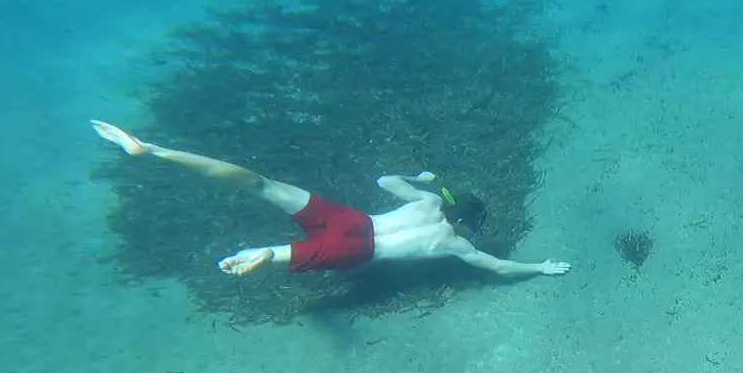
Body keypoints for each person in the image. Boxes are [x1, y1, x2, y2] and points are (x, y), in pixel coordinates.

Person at [89, 120, 571, 278]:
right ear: (467, 224)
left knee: (258, 183)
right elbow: (499, 268)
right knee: (279, 255)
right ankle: (264, 255)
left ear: (448, 203)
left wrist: (423, 176)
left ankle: (153, 150)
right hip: (357, 251)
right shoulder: (457, 247)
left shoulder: (427, 203)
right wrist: (540, 268)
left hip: (354, 221)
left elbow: (385, 180)